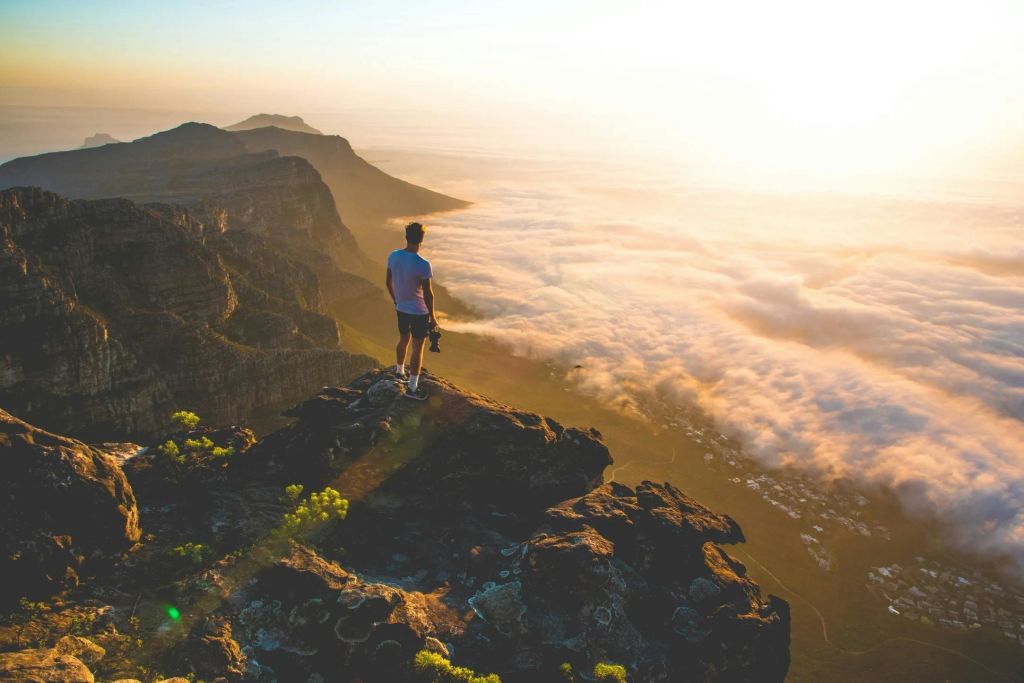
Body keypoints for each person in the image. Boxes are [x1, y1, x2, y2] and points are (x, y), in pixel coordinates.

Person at [386, 222, 436, 400]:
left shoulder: (393, 256)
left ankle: (399, 371)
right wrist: (433, 317)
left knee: (403, 339)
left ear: (406, 237)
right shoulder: (423, 264)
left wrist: (396, 301)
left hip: (401, 308)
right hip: (419, 312)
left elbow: (388, 282)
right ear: (421, 239)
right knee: (417, 347)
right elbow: (428, 295)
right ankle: (413, 387)